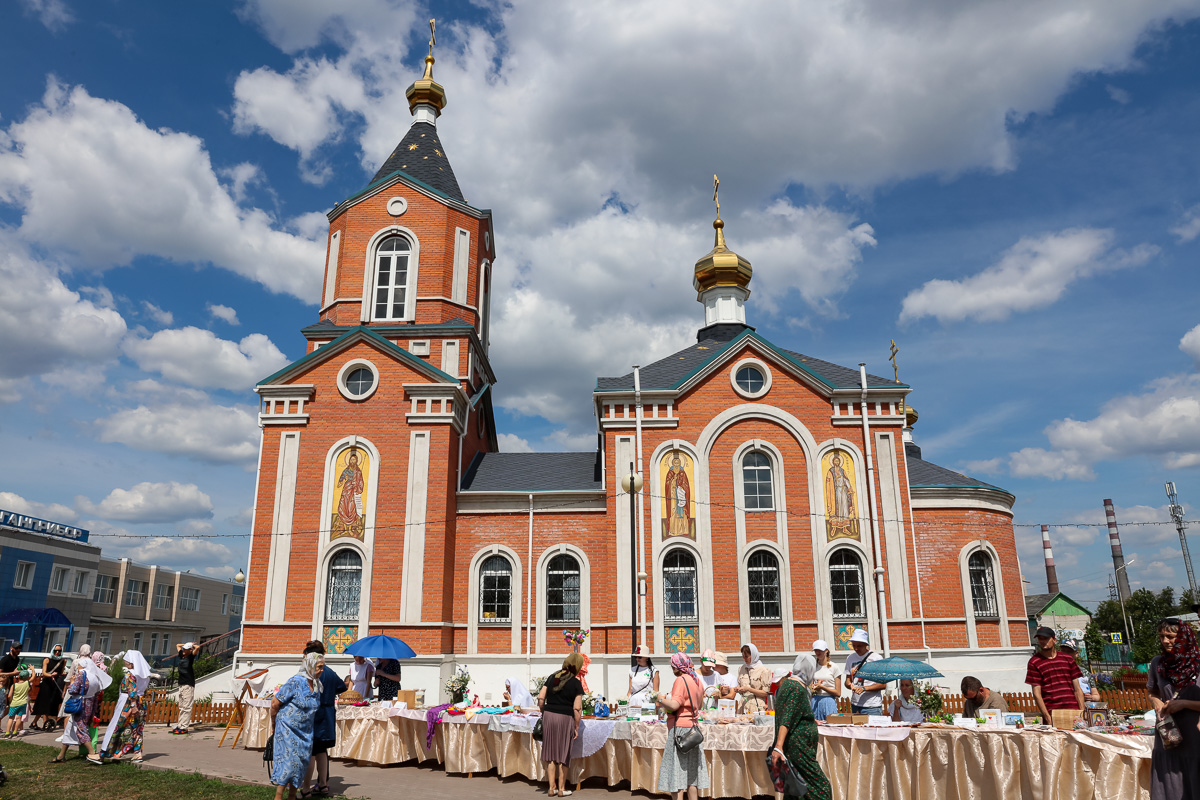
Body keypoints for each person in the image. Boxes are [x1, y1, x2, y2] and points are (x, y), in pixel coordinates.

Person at [1147, 617, 1200, 800]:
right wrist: (1156, 702)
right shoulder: (1158, 663)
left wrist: (1184, 704)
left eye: (1170, 636)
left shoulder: (1198, 665)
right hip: (1168, 734)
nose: (1165, 641)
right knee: (1169, 783)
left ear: (1184, 637)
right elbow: (1152, 691)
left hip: (1194, 734)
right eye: (1161, 636)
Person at [771, 654, 831, 800]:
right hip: (799, 746)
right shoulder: (795, 687)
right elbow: (786, 718)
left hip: (799, 745)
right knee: (821, 788)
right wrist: (778, 746)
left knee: (797, 787)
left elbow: (793, 711)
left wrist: (809, 719)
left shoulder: (791, 685)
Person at [655, 653, 709, 800]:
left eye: (672, 666)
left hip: (679, 729)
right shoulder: (697, 680)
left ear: (677, 666)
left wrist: (659, 698)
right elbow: (699, 704)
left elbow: (674, 704)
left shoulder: (680, 680)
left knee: (677, 775)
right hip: (693, 730)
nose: (672, 668)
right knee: (692, 776)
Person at [270, 652, 323, 800]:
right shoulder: (295, 682)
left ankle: (292, 796)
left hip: (305, 732)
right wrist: (274, 724)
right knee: (288, 764)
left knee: (301, 764)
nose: (321, 670)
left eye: (322, 667)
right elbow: (275, 703)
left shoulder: (318, 685)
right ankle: (278, 796)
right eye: (319, 667)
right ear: (310, 666)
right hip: (287, 729)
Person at [538, 652, 586, 798]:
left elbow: (541, 698)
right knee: (563, 754)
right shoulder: (576, 682)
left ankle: (551, 788)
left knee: (551, 754)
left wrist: (543, 712)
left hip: (549, 716)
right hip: (565, 718)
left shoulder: (552, 677)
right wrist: (576, 727)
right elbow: (577, 708)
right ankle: (561, 788)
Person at [50, 656, 109, 763]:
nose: (78, 667)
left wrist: (72, 682)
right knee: (69, 729)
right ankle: (61, 755)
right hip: (89, 704)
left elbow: (73, 690)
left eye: (80, 665)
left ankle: (92, 753)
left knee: (80, 728)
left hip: (79, 705)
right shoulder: (95, 677)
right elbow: (96, 694)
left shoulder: (81, 675)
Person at [301, 641, 342, 798]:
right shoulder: (330, 672)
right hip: (328, 714)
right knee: (322, 750)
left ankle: (306, 787)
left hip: (315, 715)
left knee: (311, 751)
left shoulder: (311, 672)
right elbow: (341, 687)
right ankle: (323, 784)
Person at [97, 650, 151, 763]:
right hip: (141, 702)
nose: (125, 663)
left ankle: (104, 752)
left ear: (131, 662)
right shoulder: (145, 673)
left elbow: (132, 690)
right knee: (136, 728)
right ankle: (137, 753)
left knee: (117, 726)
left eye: (126, 661)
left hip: (128, 703)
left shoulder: (130, 674)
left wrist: (133, 705)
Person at [1026, 626, 1084, 724]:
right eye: (1040, 639)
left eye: (1046, 638)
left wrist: (1082, 712)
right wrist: (1047, 716)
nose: (1042, 641)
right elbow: (1037, 693)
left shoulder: (1068, 659)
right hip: (1052, 712)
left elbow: (1077, 689)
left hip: (1073, 710)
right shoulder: (1034, 662)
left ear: (1054, 640)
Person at [844, 629, 885, 715]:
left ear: (866, 644)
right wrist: (849, 685)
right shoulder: (850, 658)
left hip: (872, 706)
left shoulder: (876, 658)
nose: (856, 649)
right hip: (855, 704)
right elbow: (848, 680)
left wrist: (864, 688)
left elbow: (883, 684)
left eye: (859, 646)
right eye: (853, 645)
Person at [32, 643, 67, 730]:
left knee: (49, 704)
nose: (57, 652)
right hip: (46, 684)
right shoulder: (47, 660)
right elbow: (44, 672)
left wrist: (60, 674)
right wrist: (51, 674)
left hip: (55, 684)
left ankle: (34, 722)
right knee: (44, 704)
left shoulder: (63, 661)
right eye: (56, 651)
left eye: (59, 651)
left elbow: (61, 672)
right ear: (52, 651)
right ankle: (45, 724)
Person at [808, 640, 842, 721]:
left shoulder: (834, 667)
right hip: (815, 700)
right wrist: (813, 688)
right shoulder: (813, 666)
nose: (818, 652)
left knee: (831, 727)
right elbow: (810, 687)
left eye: (820, 650)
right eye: (816, 650)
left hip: (829, 700)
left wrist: (822, 687)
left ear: (826, 651)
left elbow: (838, 693)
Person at [736, 643, 772, 714]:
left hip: (757, 706)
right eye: (743, 657)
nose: (744, 659)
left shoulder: (764, 670)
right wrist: (738, 689)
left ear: (753, 655)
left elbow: (765, 693)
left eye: (746, 657)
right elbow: (741, 687)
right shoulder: (741, 669)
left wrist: (749, 689)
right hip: (743, 705)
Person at [171, 641, 198, 735]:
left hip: (188, 684)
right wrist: (185, 644)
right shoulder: (181, 655)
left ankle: (184, 727)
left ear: (190, 650)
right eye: (183, 649)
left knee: (187, 707)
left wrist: (192, 645)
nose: (183, 650)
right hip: (181, 684)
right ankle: (179, 725)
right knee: (181, 707)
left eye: (186, 649)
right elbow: (177, 645)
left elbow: (197, 648)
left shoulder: (191, 657)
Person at [4, 669, 31, 737]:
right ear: (27, 677)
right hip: (23, 703)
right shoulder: (27, 683)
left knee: (11, 718)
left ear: (18, 676)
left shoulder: (14, 685)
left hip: (14, 703)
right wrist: (33, 670)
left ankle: (7, 732)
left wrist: (10, 701)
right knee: (19, 717)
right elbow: (33, 678)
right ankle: (15, 731)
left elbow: (9, 695)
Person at [0, 643, 22, 717]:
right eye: (16, 648)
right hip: (2, 684)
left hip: (10, 683)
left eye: (19, 648)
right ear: (11, 648)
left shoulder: (17, 658)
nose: (18, 650)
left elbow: (13, 671)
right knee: (3, 704)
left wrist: (17, 672)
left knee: (10, 705)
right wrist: (13, 673)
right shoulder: (5, 659)